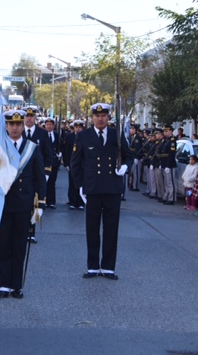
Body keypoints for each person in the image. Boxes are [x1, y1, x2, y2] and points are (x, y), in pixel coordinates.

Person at [71, 103, 134, 280]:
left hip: (112, 188)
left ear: (108, 117)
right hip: (92, 188)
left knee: (111, 229)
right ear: (92, 118)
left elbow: (129, 156)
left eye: (104, 115)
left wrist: (125, 167)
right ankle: (92, 266)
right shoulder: (83, 136)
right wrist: (80, 186)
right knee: (92, 229)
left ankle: (108, 267)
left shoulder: (116, 135)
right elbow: (76, 163)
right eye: (97, 116)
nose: (100, 118)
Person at [0, 110, 46, 299]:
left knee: (19, 245)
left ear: (24, 125)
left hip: (24, 204)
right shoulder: (0, 147)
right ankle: (3, 284)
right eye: (11, 124)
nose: (15, 127)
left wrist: (40, 205)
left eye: (18, 124)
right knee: (3, 245)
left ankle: (16, 285)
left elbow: (40, 177)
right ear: (6, 126)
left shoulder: (32, 148)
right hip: (4, 204)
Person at [21, 106, 53, 243]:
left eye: (31, 116)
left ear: (35, 118)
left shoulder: (42, 133)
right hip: (20, 175)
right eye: (27, 116)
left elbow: (48, 154)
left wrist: (46, 172)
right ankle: (20, 231)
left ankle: (30, 232)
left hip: (36, 175)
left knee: (34, 203)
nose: (29, 118)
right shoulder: (18, 132)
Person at [63, 120, 84, 210]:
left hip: (83, 164)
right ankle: (72, 201)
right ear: (74, 128)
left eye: (80, 127)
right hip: (72, 164)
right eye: (76, 127)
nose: (78, 129)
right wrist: (66, 164)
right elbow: (66, 151)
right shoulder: (69, 137)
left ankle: (81, 202)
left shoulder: (85, 137)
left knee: (82, 183)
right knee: (72, 183)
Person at [157, 125, 177, 205]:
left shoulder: (172, 140)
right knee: (166, 182)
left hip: (170, 164)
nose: (165, 132)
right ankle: (166, 196)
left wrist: (168, 166)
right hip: (164, 163)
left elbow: (171, 154)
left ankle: (171, 198)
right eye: (164, 131)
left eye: (166, 131)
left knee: (170, 182)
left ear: (171, 131)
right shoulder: (166, 140)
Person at [44, 117, 61, 208]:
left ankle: (51, 202)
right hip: (45, 162)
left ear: (53, 126)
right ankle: (44, 200)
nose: (49, 126)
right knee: (44, 182)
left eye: (51, 125)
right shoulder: (43, 134)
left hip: (54, 162)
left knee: (52, 182)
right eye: (47, 125)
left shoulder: (56, 135)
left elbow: (59, 146)